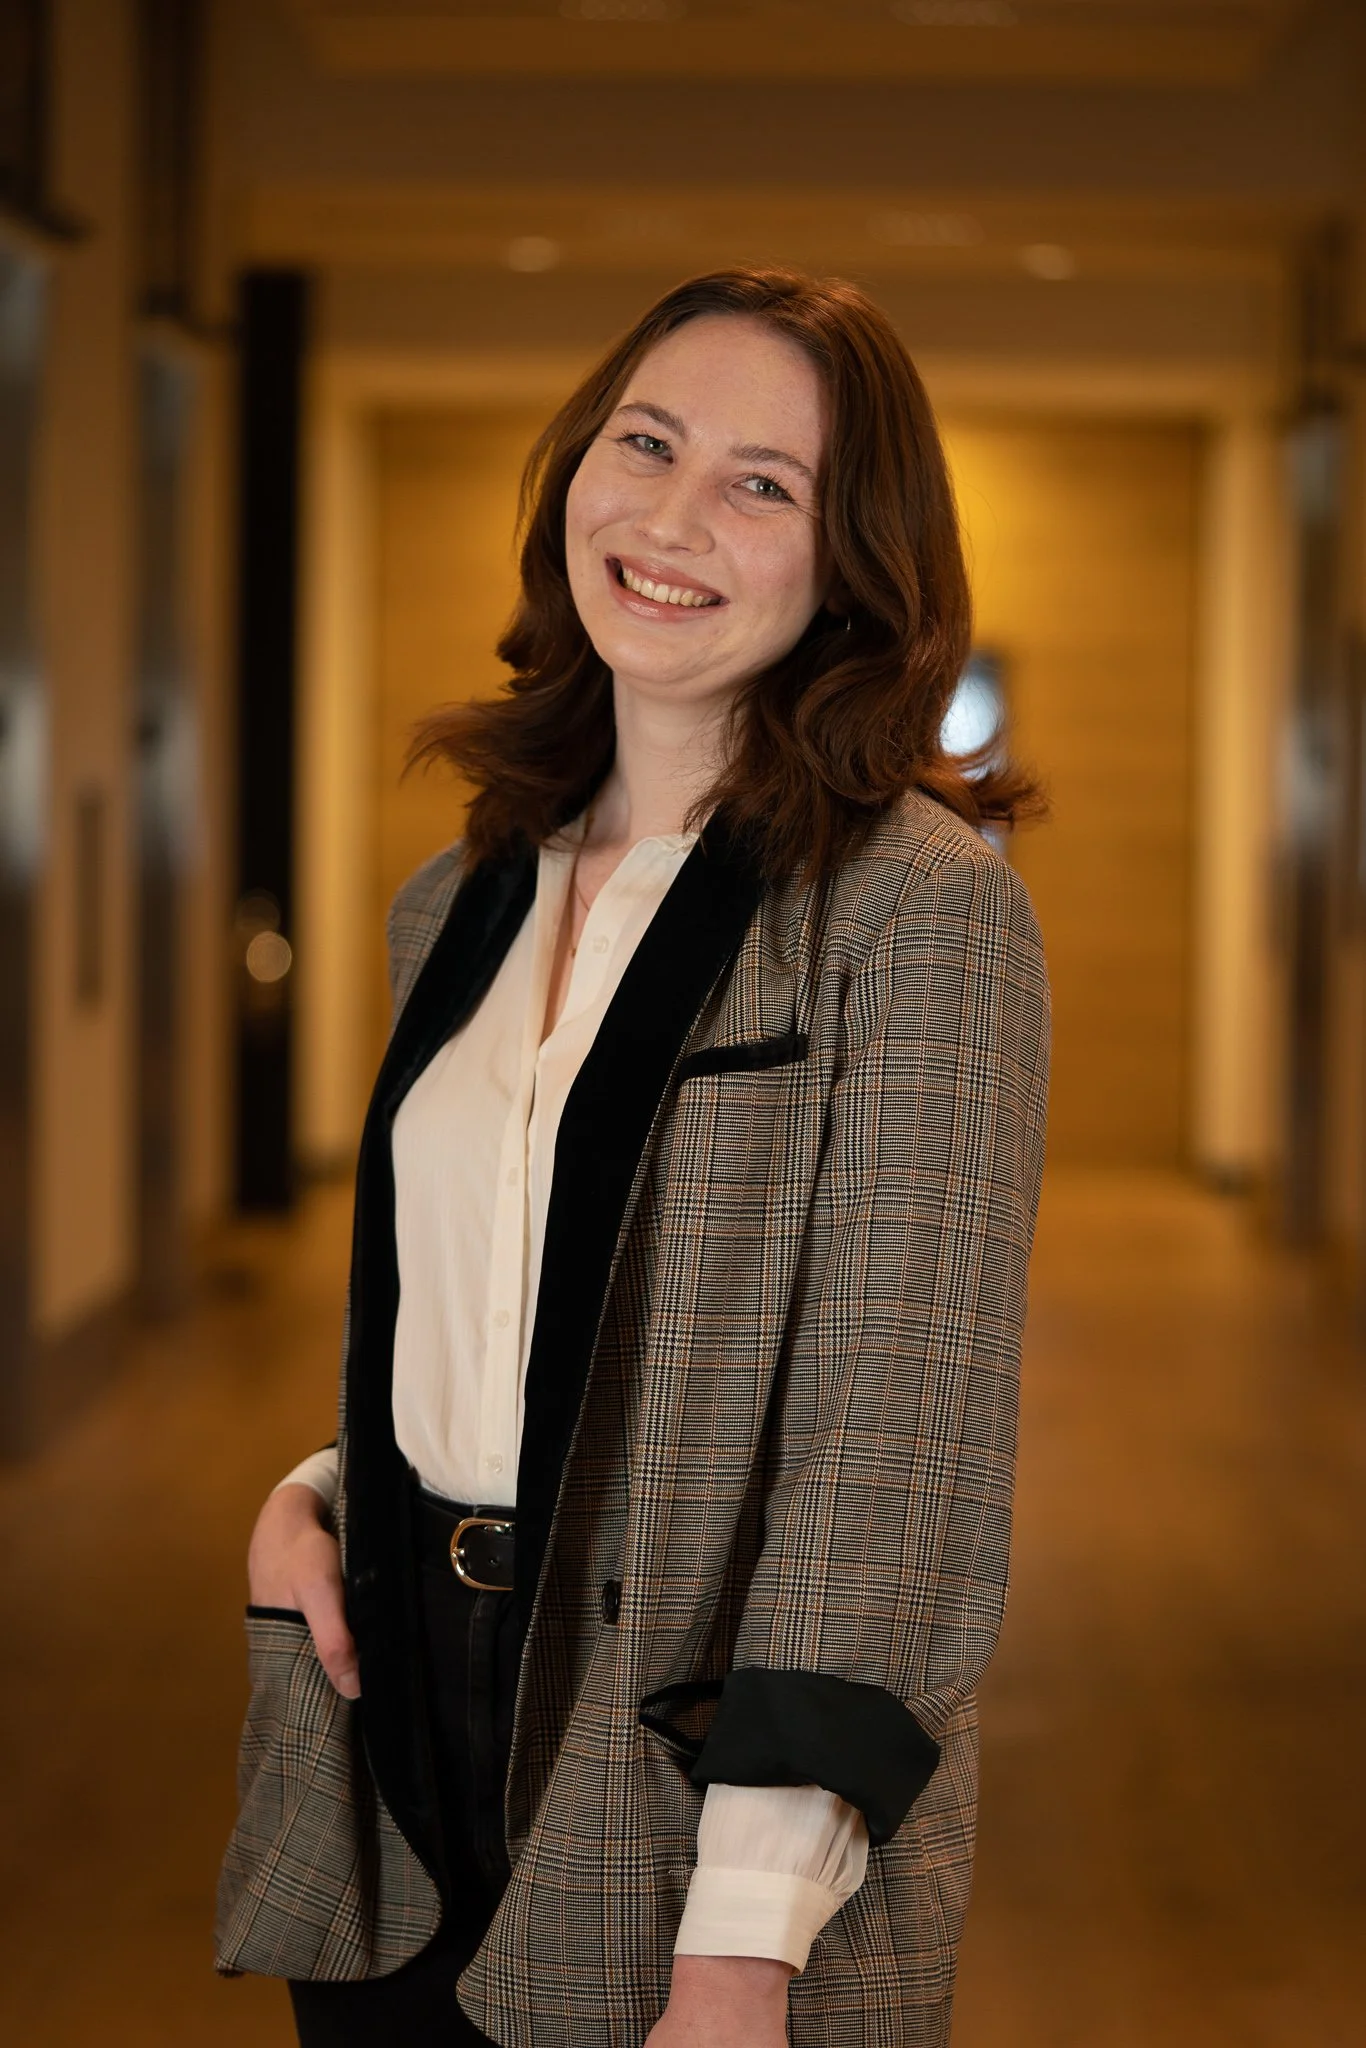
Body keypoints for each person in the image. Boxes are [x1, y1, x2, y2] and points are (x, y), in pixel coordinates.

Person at [216, 265, 1050, 2048]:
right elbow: (496, 1297)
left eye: (764, 483)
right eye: (645, 442)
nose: (671, 516)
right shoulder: (457, 895)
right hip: (397, 1736)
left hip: (680, 1771)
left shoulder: (912, 909)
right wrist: (325, 1489)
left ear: (855, 565)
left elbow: (892, 1453)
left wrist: (739, 1948)